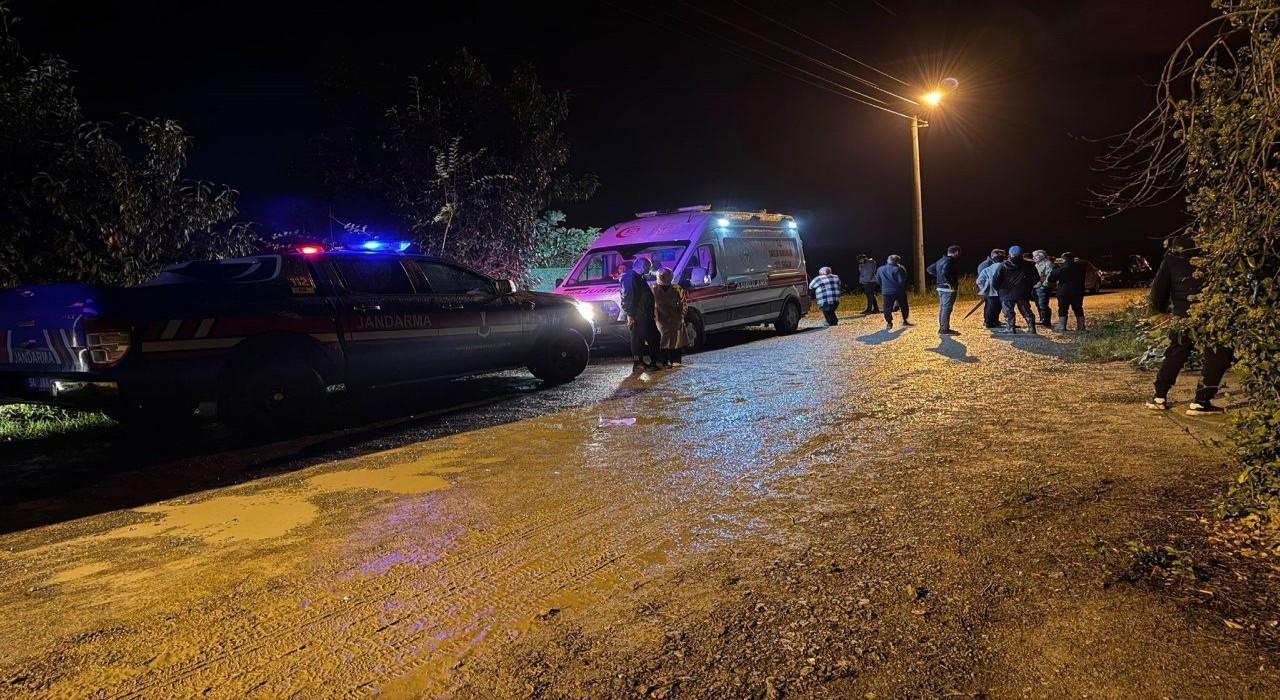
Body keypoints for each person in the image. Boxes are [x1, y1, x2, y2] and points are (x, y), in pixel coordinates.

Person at [1145, 236, 1234, 415]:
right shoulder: (1216, 250)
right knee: (1218, 353)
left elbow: (1160, 286)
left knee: (1177, 351)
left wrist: (1157, 310)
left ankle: (1159, 396)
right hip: (1211, 313)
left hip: (1183, 314)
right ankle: (1202, 401)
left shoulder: (1173, 255)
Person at [620, 258, 660, 369]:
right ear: (643, 266)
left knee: (652, 337)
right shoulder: (631, 278)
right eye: (648, 267)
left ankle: (654, 361)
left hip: (644, 314)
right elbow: (628, 297)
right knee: (638, 339)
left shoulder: (638, 277)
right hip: (638, 314)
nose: (650, 269)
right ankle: (638, 363)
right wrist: (630, 314)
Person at [991, 244, 1038, 333]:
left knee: (1008, 311)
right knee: (1026, 310)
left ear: (1010, 254)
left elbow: (996, 279)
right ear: (1022, 254)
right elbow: (1036, 278)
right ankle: (1032, 328)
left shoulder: (1003, 265)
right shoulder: (1029, 265)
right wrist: (1028, 286)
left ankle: (1010, 328)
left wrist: (999, 289)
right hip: (1023, 292)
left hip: (1006, 292)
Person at [653, 267, 687, 367]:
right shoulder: (653, 289)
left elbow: (683, 304)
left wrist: (680, 316)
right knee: (662, 341)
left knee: (676, 341)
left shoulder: (677, 289)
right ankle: (662, 361)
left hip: (675, 319)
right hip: (660, 319)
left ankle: (675, 360)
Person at [926, 245, 962, 335]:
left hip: (940, 287)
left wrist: (939, 277)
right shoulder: (950, 260)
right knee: (946, 309)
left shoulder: (940, 260)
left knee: (943, 308)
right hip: (948, 289)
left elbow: (929, 269)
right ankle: (944, 330)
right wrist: (949, 283)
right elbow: (945, 272)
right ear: (956, 252)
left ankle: (943, 328)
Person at [1049, 252, 1087, 332]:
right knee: (1078, 308)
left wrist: (1055, 270)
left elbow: (1051, 279)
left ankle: (1061, 326)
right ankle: (1081, 327)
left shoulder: (1061, 269)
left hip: (1064, 292)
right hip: (1078, 291)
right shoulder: (1080, 268)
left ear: (1063, 259)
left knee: (1063, 309)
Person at [875, 254, 912, 329]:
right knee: (903, 306)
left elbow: (878, 280)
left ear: (888, 260)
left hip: (886, 291)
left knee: (887, 307)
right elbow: (902, 281)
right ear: (897, 261)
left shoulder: (880, 269)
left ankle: (889, 322)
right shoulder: (899, 269)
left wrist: (884, 286)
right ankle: (905, 320)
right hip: (899, 291)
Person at [976, 249, 1006, 329]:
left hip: (991, 292)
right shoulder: (1005, 267)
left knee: (990, 307)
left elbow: (979, 280)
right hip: (1002, 291)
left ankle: (991, 322)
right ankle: (991, 322)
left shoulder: (986, 268)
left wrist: (984, 288)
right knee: (997, 307)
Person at [1032, 249, 1056, 327]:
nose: (1034, 258)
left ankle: (1046, 321)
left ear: (1042, 256)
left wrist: (1044, 285)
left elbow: (1050, 276)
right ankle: (1042, 319)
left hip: (1043, 288)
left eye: (1035, 256)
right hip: (1037, 287)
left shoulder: (1048, 264)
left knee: (1043, 304)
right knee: (1039, 304)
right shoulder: (1037, 264)